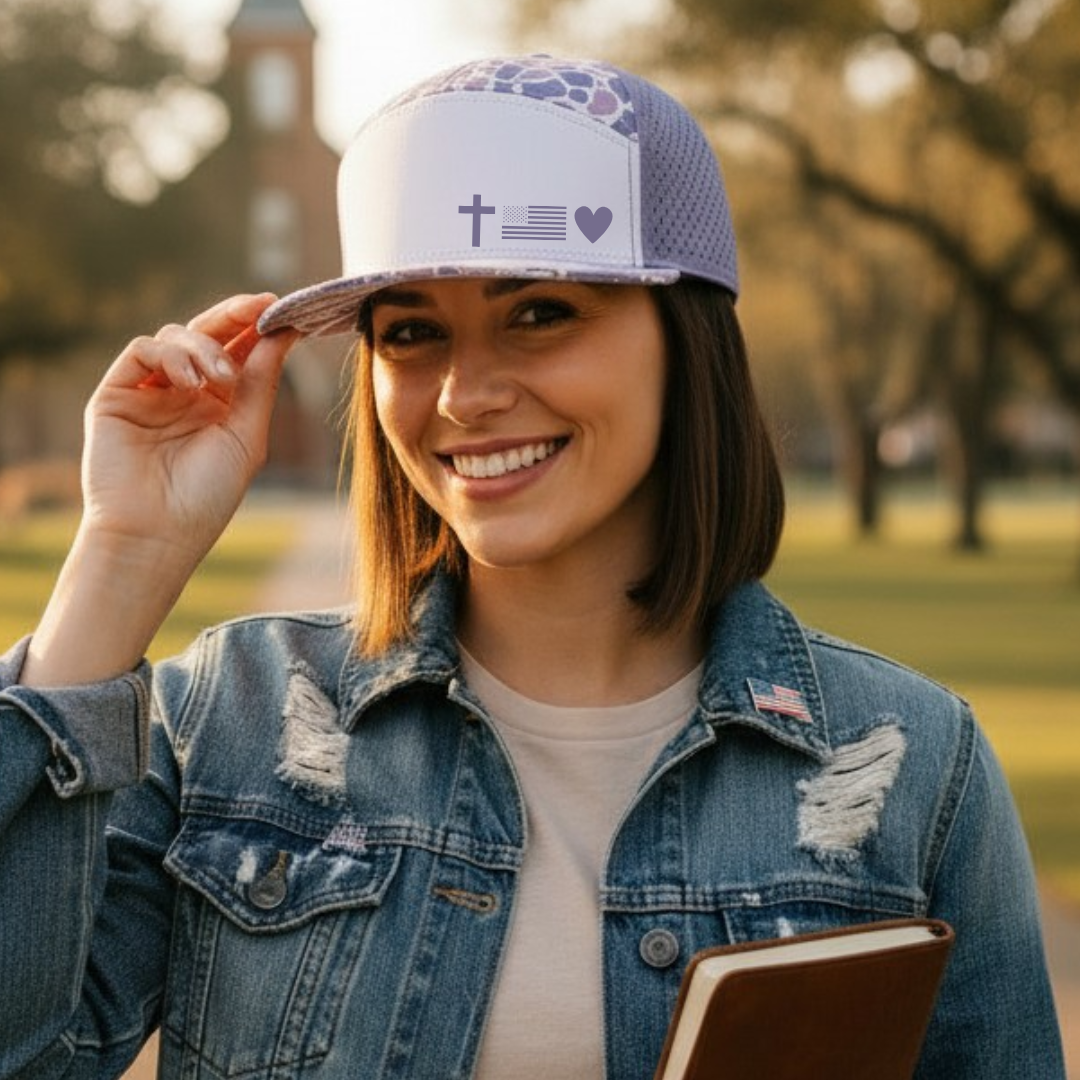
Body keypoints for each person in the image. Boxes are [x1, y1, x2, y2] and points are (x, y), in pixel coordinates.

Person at [0, 54, 1065, 1079]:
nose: (465, 393)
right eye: (412, 331)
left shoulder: (910, 761)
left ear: (684, 334)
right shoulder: (228, 725)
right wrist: (122, 557)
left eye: (541, 311)